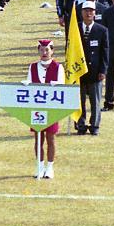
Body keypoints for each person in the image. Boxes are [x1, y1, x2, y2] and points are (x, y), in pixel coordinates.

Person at [27, 39, 64, 179]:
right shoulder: (32, 67)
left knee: (51, 139)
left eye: (47, 50)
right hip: (36, 109)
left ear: (52, 51)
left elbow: (61, 86)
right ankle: (40, 166)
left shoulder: (58, 67)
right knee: (38, 139)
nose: (44, 53)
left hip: (51, 109)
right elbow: (29, 85)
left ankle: (50, 167)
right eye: (41, 50)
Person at [75, 2, 109, 135]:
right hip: (79, 71)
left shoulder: (101, 30)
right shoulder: (75, 28)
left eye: (91, 11)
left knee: (95, 101)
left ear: (95, 13)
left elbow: (105, 52)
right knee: (79, 101)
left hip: (95, 71)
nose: (88, 13)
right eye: (86, 11)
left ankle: (94, 125)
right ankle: (80, 124)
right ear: (81, 12)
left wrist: (103, 70)